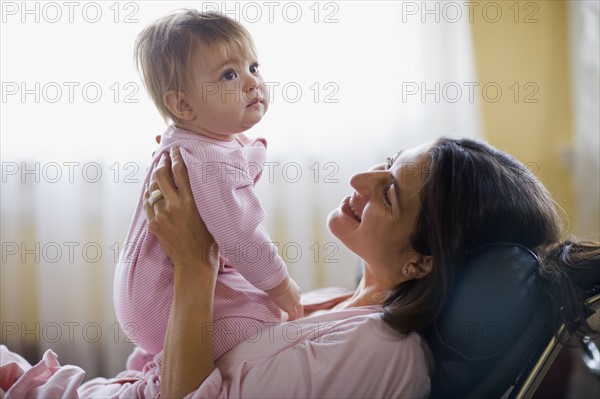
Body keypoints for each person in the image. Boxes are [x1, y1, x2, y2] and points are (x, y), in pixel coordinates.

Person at [0, 137, 597, 398]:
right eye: (387, 163)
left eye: (388, 192)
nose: (361, 179)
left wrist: (194, 265)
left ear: (423, 258)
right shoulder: (345, 303)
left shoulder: (381, 352)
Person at [113, 9, 303, 364]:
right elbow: (243, 237)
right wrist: (280, 285)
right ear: (183, 104)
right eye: (229, 74)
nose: (251, 82)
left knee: (246, 297)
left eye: (254, 67)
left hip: (148, 295)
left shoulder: (189, 140)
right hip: (163, 299)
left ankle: (155, 357)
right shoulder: (211, 161)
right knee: (265, 316)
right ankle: (165, 363)